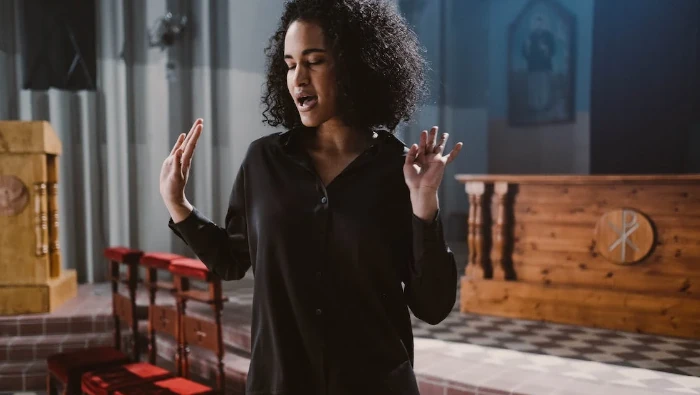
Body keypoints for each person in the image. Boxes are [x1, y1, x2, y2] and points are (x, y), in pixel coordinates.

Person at [159, 0, 462, 394]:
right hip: (282, 382)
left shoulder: (401, 172)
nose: (298, 78)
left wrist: (424, 205)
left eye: (314, 61)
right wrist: (178, 205)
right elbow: (232, 260)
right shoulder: (264, 161)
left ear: (354, 64)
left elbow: (432, 306)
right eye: (289, 64)